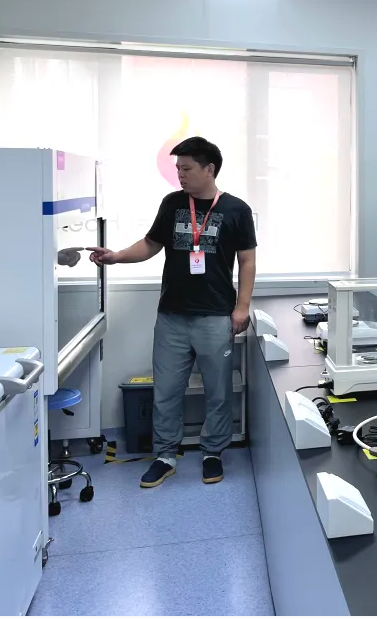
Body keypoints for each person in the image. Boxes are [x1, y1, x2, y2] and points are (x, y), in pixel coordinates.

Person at [89, 137, 256, 489]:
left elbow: (247, 260)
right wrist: (116, 256)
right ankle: (165, 455)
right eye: (178, 168)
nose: (180, 174)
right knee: (165, 391)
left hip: (215, 316)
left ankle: (212, 453)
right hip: (172, 317)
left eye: (186, 168)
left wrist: (242, 307)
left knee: (218, 391)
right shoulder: (172, 203)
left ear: (209, 169)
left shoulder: (237, 210)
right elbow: (151, 244)